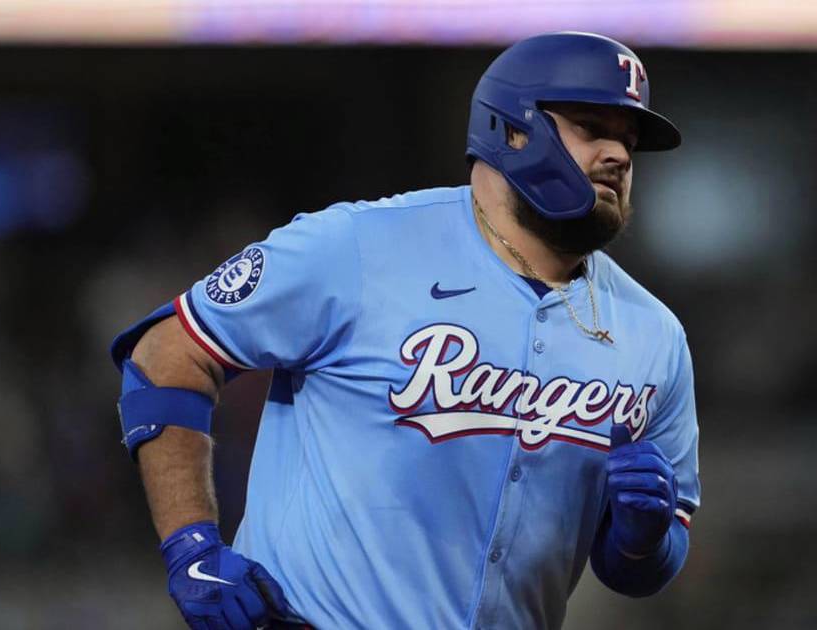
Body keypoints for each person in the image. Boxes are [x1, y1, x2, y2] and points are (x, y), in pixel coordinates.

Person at [110, 31, 700, 630]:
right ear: (513, 131)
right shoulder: (359, 246)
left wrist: (641, 540)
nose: (619, 155)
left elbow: (646, 567)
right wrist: (191, 546)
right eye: (592, 128)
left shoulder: (654, 335)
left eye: (629, 141)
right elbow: (166, 354)